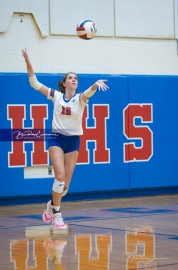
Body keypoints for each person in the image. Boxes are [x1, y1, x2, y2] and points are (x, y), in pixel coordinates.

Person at [22, 48, 109, 229]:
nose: (74, 80)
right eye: (70, 78)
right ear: (64, 83)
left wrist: (94, 85)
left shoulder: (80, 99)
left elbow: (88, 92)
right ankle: (57, 214)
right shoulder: (56, 96)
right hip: (56, 139)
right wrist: (28, 60)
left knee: (66, 186)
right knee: (59, 177)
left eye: (76, 78)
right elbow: (34, 83)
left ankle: (51, 206)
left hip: (73, 141)